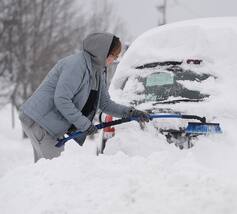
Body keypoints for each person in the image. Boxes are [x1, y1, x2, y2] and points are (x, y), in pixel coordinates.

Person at [19, 32, 149, 162]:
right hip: (40, 121)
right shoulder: (76, 65)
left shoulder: (98, 72)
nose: (114, 60)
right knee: (51, 170)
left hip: (48, 125)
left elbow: (105, 104)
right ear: (103, 52)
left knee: (45, 170)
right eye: (114, 55)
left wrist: (130, 112)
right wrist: (84, 124)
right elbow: (62, 99)